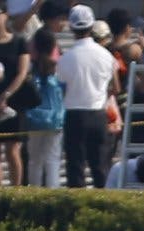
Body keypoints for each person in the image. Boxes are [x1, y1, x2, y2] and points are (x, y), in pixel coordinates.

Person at [54, 2, 117, 181]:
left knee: (75, 167)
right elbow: (114, 85)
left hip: (74, 114)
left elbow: (61, 85)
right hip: (98, 114)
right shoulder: (105, 55)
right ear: (91, 26)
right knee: (100, 166)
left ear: (71, 28)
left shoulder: (65, 58)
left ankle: (75, 208)